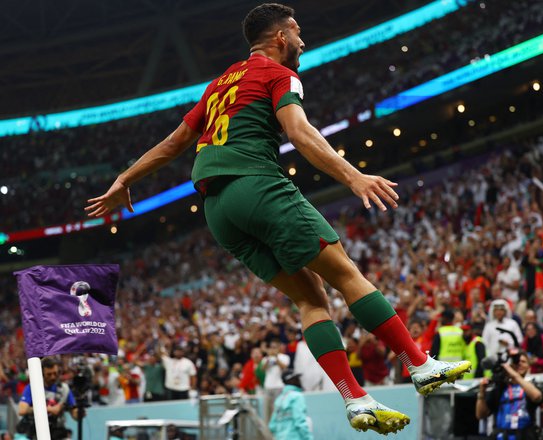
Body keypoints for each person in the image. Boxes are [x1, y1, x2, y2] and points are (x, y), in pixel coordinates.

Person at [85, 3, 470, 434]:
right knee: (345, 271)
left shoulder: (218, 84)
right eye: (298, 33)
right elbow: (300, 132)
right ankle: (418, 364)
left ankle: (355, 398)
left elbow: (175, 143)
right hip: (256, 185)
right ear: (281, 37)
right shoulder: (280, 75)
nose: (303, 42)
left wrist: (124, 178)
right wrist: (353, 176)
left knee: (310, 296)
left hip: (217, 211)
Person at [475, 351, 543, 440]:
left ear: (528, 366)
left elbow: (537, 396)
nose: (519, 364)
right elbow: (480, 415)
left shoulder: (531, 386)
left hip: (525, 435)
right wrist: (482, 392)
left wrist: (514, 375)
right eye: (516, 362)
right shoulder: (500, 388)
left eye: (523, 362)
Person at [17, 357, 81, 440]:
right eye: (49, 374)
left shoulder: (64, 389)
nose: (53, 377)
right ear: (42, 374)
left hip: (58, 432)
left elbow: (74, 414)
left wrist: (79, 412)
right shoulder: (33, 388)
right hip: (37, 432)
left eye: (55, 373)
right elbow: (22, 410)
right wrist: (49, 409)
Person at [269, 369, 313, 440]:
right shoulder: (297, 396)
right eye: (296, 378)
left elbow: (272, 425)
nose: (299, 380)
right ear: (291, 380)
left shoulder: (279, 399)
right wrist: (308, 438)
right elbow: (300, 422)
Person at [261, 340, 290, 422]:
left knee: (278, 409)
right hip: (268, 387)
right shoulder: (265, 358)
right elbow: (262, 369)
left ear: (278, 347)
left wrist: (276, 357)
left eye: (274, 347)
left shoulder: (284, 357)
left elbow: (284, 367)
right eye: (271, 348)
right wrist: (268, 358)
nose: (272, 349)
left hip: (279, 386)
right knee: (267, 411)